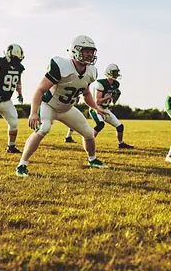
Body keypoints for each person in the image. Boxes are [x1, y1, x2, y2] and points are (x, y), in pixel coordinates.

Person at [16, 35, 109, 177]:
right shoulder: (61, 66)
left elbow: (86, 94)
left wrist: (96, 108)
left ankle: (92, 159)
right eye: (86, 51)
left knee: (89, 133)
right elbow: (40, 90)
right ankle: (22, 164)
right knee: (44, 128)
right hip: (50, 106)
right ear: (75, 50)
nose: (89, 54)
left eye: (91, 51)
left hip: (67, 108)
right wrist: (33, 112)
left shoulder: (91, 71)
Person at [90, 63, 134, 149]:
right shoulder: (101, 83)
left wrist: (116, 96)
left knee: (120, 126)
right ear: (108, 72)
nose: (116, 74)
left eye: (116, 72)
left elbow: (113, 102)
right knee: (100, 125)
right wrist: (109, 97)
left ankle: (121, 144)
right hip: (96, 108)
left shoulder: (116, 84)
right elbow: (97, 101)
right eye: (114, 72)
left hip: (105, 108)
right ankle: (90, 142)